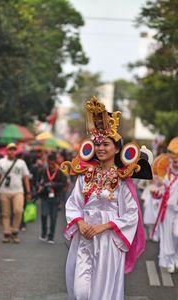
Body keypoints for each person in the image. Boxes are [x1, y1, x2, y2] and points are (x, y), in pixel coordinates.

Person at [61, 96, 152, 300]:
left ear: (117, 148)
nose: (101, 148)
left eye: (106, 144)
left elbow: (131, 214)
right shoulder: (86, 176)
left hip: (109, 240)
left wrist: (104, 226)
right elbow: (74, 203)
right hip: (85, 237)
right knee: (80, 290)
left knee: (103, 291)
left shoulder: (122, 179)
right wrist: (80, 222)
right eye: (98, 144)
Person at [0, 143, 31, 243]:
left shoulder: (21, 163)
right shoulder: (1, 162)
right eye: (10, 149)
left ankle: (14, 231)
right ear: (6, 151)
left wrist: (28, 192)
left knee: (18, 211)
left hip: (18, 191)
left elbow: (25, 177)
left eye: (14, 150)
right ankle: (6, 233)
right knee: (6, 213)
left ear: (16, 151)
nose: (12, 151)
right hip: (4, 191)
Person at [152, 137, 178, 273]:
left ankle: (176, 256)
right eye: (175, 160)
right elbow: (160, 190)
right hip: (168, 210)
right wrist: (157, 193)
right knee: (168, 235)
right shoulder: (166, 176)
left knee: (177, 233)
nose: (176, 162)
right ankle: (170, 260)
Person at [38, 152, 67, 244]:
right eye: (49, 161)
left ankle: (51, 236)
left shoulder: (60, 171)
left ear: (55, 161)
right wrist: (41, 186)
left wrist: (53, 184)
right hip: (45, 196)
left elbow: (63, 184)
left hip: (55, 197)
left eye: (52, 161)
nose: (50, 163)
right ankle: (44, 233)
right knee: (44, 215)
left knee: (53, 217)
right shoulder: (43, 170)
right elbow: (38, 181)